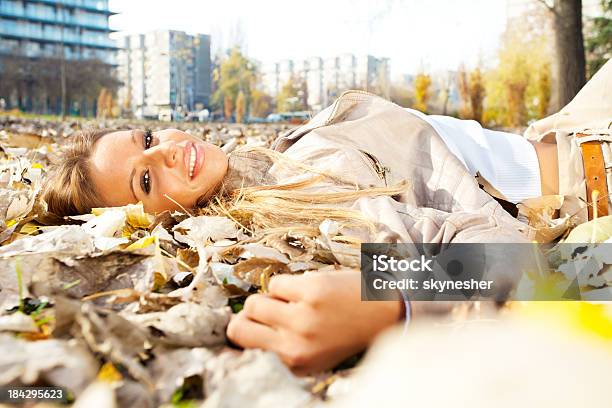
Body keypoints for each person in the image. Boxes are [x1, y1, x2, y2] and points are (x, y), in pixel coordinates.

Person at [42, 59, 611, 375]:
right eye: (146, 179)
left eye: (146, 137)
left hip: (562, 129)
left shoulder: (273, 159)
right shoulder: (295, 201)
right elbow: (506, 254)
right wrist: (399, 298)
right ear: (157, 224)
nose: (164, 149)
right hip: (595, 166)